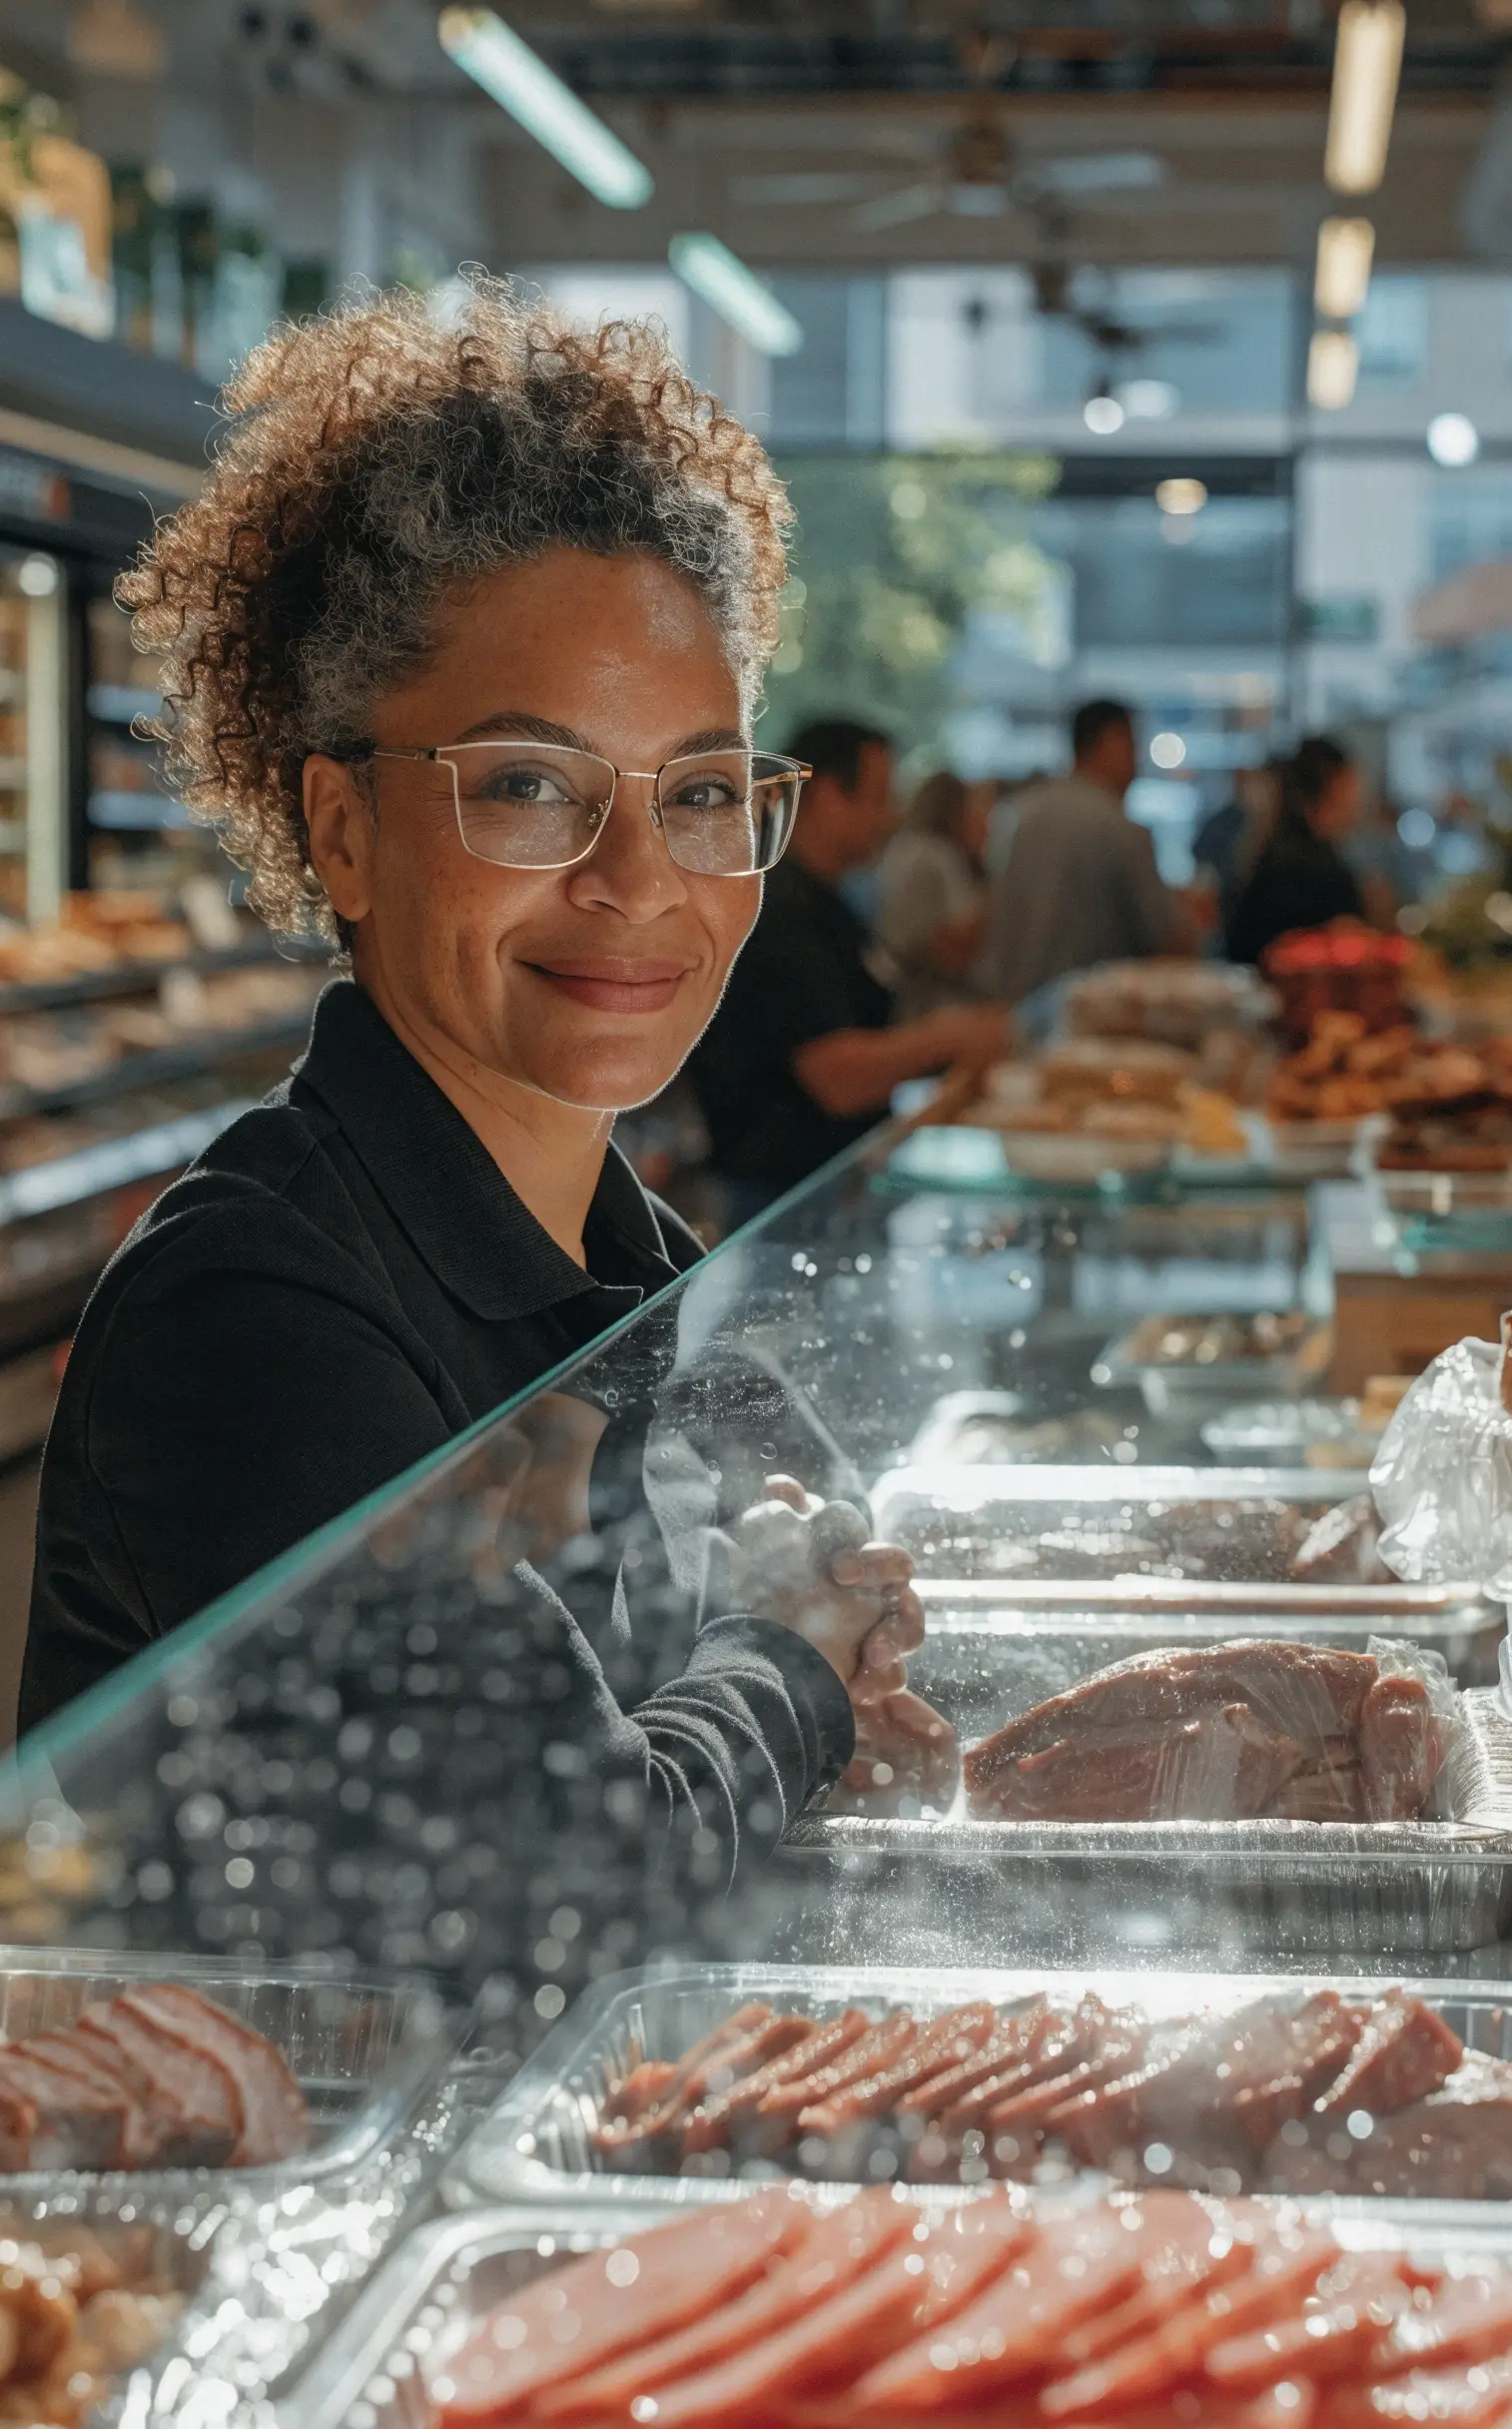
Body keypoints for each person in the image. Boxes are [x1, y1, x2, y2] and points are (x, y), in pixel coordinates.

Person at [21, 285, 930, 1860]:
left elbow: (831, 1585)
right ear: (340, 830)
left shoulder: (639, 1264)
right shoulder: (248, 1311)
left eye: (701, 790)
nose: (640, 880)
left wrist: (821, 1657)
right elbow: (563, 1874)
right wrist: (793, 1664)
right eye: (528, 783)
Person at [688, 718, 1010, 1215]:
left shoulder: (824, 899)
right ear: (830, 795)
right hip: (782, 1199)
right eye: (880, 797)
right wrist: (951, 1036)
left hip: (824, 1184)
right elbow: (835, 1077)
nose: (891, 817)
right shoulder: (776, 907)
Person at [980, 698, 1204, 1002]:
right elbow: (1167, 938)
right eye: (1134, 744)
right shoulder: (1118, 826)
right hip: (1091, 1019)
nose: (1137, 763)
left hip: (1016, 1008)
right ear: (1112, 742)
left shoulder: (1022, 817)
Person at [1224, 734, 1365, 968]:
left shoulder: (1270, 847)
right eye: (1353, 786)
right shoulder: (1316, 869)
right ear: (1334, 782)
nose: (1359, 800)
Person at [877, 768, 993, 1018]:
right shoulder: (939, 856)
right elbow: (958, 943)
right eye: (978, 811)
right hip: (934, 1003)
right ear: (956, 812)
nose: (986, 822)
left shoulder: (900, 848)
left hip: (894, 993)